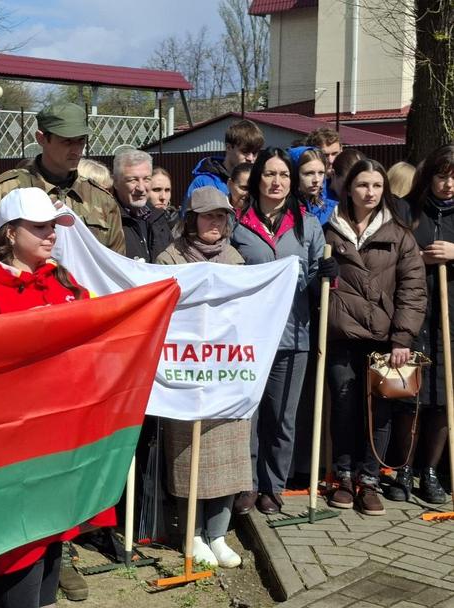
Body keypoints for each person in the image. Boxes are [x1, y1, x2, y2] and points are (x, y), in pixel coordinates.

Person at [0, 187, 114, 608]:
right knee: (20, 535)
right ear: (10, 233)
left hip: (61, 429)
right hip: (15, 436)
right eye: (40, 227)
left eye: (53, 227)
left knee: (56, 521)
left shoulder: (64, 280)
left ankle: (45, 604)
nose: (51, 235)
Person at [323, 159, 426, 515]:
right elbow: (310, 283)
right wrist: (322, 276)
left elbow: (413, 290)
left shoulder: (399, 235)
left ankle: (369, 480)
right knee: (344, 407)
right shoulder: (329, 231)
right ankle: (344, 475)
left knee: (378, 410)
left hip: (383, 339)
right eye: (363, 185)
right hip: (341, 335)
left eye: (377, 186)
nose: (370, 192)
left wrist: (402, 338)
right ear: (348, 188)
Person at [231, 147, 328, 515]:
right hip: (249, 339)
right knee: (248, 415)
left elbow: (317, 276)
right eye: (270, 174)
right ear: (257, 180)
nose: (277, 181)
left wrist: (326, 276)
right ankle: (247, 485)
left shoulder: (307, 224)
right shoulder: (238, 225)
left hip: (294, 335)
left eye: (284, 175)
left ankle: (274, 485)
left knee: (283, 417)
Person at [156, 187, 250, 568]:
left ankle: (219, 533)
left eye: (222, 216)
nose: (216, 222)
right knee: (187, 454)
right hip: (186, 372)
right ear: (191, 218)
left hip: (226, 374)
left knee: (228, 453)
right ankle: (192, 534)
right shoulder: (169, 259)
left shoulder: (237, 260)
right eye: (208, 215)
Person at [387, 145, 454, 504]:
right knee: (407, 396)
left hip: (450, 322)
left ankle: (430, 470)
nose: (448, 184)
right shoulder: (408, 212)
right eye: (442, 176)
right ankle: (404, 467)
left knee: (442, 400)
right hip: (414, 317)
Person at [0, 102, 126, 255]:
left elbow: (115, 263)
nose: (77, 150)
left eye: (81, 140)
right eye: (67, 141)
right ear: (41, 138)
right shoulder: (6, 190)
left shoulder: (101, 199)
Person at [182, 119, 264, 209]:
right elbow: (187, 218)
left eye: (255, 153)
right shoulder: (203, 183)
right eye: (245, 152)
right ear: (228, 147)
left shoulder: (260, 182)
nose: (250, 158)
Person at [113, 150, 172, 262]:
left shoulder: (159, 218)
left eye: (146, 179)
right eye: (133, 180)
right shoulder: (109, 219)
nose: (141, 188)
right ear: (116, 182)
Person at [289, 146, 337, 224]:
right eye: (309, 173)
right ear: (294, 174)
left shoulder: (334, 209)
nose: (316, 180)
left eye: (321, 173)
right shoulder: (282, 211)